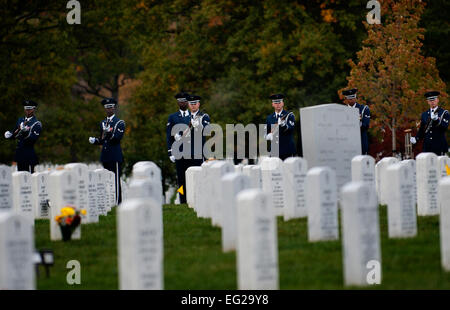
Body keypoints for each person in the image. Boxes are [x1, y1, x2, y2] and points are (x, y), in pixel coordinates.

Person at [89, 98, 125, 204]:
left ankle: (118, 202)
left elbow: (116, 138)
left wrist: (108, 133)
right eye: (107, 108)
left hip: (115, 155)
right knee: (106, 180)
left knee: (115, 179)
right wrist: (95, 141)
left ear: (114, 108)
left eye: (111, 107)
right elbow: (103, 140)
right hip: (105, 155)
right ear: (105, 109)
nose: (109, 110)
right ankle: (109, 202)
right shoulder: (103, 123)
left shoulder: (119, 122)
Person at [166, 92, 191, 204]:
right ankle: (183, 200)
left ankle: (192, 199)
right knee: (181, 179)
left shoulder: (193, 116)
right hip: (179, 152)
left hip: (192, 152)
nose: (182, 103)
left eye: (184, 101)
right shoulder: (173, 117)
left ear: (187, 102)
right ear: (178, 103)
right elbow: (169, 136)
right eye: (180, 101)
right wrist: (170, 152)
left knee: (191, 177)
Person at [4, 100, 42, 173]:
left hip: (29, 154)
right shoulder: (20, 120)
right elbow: (15, 133)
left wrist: (25, 132)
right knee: (21, 177)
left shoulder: (36, 123)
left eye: (29, 109)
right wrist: (10, 135)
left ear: (34, 109)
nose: (27, 111)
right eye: (26, 109)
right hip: (19, 153)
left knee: (30, 177)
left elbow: (33, 139)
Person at [410, 91, 449, 155]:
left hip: (439, 146)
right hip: (427, 146)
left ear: (438, 100)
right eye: (430, 100)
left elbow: (444, 128)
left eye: (434, 100)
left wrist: (436, 120)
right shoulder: (424, 114)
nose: (432, 102)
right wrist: (416, 138)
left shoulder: (444, 113)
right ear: (427, 102)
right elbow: (422, 130)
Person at [265, 94, 296, 160]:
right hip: (274, 151)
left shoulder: (289, 115)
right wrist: (268, 135)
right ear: (272, 104)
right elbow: (266, 132)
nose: (278, 104)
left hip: (287, 150)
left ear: (283, 103)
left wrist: (283, 125)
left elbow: (291, 129)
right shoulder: (269, 118)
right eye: (275, 103)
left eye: (279, 102)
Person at [342, 88, 371, 155]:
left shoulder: (363, 109)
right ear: (346, 99)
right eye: (349, 98)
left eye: (353, 98)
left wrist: (356, 124)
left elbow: (366, 125)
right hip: (347, 144)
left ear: (355, 97)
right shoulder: (342, 110)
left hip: (360, 142)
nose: (352, 100)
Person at [186, 94, 211, 165]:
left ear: (198, 104)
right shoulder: (185, 117)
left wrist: (199, 125)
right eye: (191, 104)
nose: (193, 105)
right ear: (188, 104)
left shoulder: (204, 116)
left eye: (195, 103)